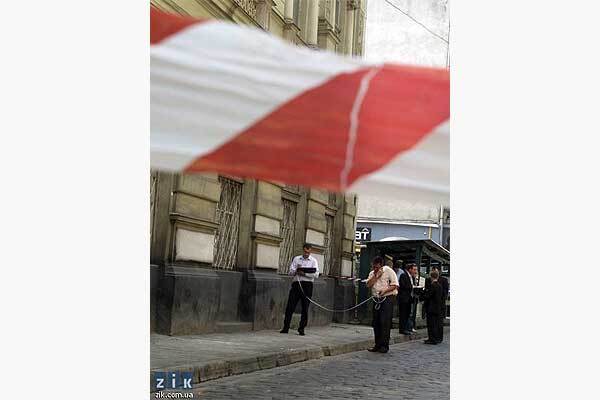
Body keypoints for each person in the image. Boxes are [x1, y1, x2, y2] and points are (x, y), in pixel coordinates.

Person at [280, 243, 319, 336]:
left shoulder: (313, 261)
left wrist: (304, 273)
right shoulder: (297, 259)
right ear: (303, 250)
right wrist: (296, 270)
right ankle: (286, 327)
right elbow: (290, 272)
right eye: (305, 251)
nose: (306, 253)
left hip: (307, 285)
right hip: (297, 284)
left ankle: (301, 328)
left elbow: (316, 274)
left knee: (305, 308)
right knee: (290, 306)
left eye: (308, 252)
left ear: (310, 251)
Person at [366, 256, 399, 353]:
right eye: (374, 267)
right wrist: (376, 276)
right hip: (376, 299)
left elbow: (395, 285)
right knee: (376, 322)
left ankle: (384, 345)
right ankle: (377, 344)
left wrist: (385, 290)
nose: (375, 269)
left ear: (381, 266)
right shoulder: (372, 274)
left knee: (384, 322)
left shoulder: (388, 271)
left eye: (377, 267)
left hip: (387, 298)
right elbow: (368, 285)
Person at [423, 266, 449, 342]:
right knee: (435, 323)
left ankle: (435, 338)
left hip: (436, 305)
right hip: (436, 305)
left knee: (435, 323)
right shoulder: (438, 285)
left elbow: (429, 294)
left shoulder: (440, 282)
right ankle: (435, 338)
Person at [397, 263, 416, 335]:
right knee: (403, 314)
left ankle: (407, 328)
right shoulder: (403, 275)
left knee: (407, 314)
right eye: (414, 269)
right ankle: (402, 329)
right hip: (404, 298)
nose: (415, 271)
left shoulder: (412, 277)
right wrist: (412, 287)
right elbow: (403, 285)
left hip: (409, 299)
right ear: (410, 269)